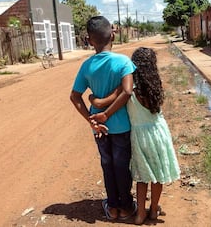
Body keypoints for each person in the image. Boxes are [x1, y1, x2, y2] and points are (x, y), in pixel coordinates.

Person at [89, 47, 181, 225]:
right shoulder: (155, 84)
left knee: (141, 176)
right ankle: (153, 210)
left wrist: (93, 99)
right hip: (159, 132)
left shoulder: (129, 86)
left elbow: (103, 102)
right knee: (157, 174)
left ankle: (139, 214)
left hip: (140, 136)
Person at [70, 16, 137, 221]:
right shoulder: (123, 61)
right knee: (122, 165)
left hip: (99, 128)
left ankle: (113, 206)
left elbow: (75, 96)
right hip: (121, 125)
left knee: (107, 164)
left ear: (90, 41)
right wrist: (107, 113)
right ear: (113, 34)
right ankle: (126, 207)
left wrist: (92, 119)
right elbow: (127, 91)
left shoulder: (87, 66)